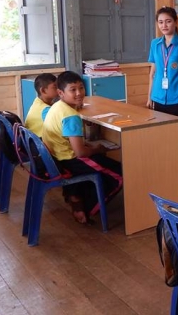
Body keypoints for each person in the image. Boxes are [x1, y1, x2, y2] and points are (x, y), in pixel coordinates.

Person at [42, 71, 123, 225]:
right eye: (73, 90)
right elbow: (80, 152)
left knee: (103, 162)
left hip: (55, 157)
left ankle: (74, 195)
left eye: (81, 88)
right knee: (119, 174)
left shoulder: (57, 106)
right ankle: (85, 209)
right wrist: (97, 149)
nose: (79, 93)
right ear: (61, 93)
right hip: (69, 160)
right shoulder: (71, 116)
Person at [146, 6, 178, 123]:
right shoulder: (155, 44)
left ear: (175, 22)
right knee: (160, 130)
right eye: (160, 22)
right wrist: (149, 97)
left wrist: (177, 74)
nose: (164, 25)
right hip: (157, 97)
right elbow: (152, 74)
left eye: (168, 21)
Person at [24, 73, 58, 137]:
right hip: (40, 141)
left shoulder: (37, 101)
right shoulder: (45, 110)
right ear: (43, 90)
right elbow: (61, 128)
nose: (59, 89)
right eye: (55, 87)